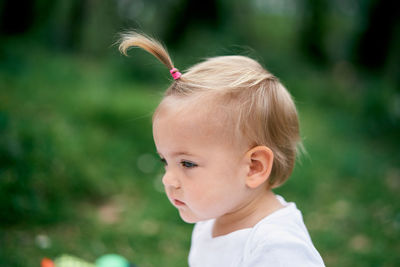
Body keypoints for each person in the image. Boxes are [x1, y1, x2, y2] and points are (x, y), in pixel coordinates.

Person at [119, 32, 325, 267]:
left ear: (253, 167)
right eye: (165, 161)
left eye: (187, 163)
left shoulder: (277, 249)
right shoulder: (213, 216)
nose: (168, 180)